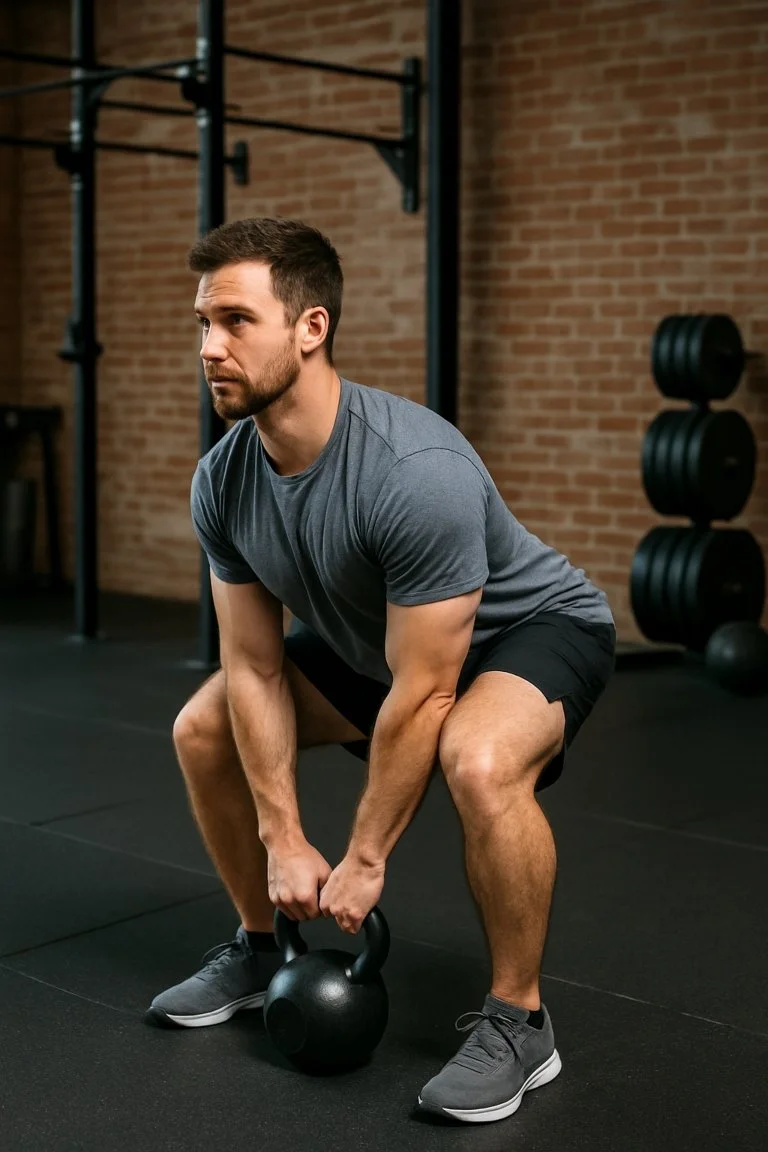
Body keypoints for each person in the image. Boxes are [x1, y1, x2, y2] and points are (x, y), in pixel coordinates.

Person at [146, 217, 616, 1125]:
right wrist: (286, 839)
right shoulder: (224, 481)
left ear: (311, 328)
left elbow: (431, 691)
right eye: (202, 323)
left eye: (236, 321)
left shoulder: (412, 469)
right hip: (384, 645)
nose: (210, 347)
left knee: (477, 758)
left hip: (528, 631)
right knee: (201, 728)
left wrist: (364, 858)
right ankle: (257, 944)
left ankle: (522, 1022)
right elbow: (251, 665)